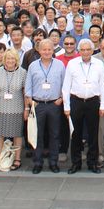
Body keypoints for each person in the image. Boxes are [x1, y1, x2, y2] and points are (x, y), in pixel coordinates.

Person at [62, 39, 104, 174]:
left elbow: (103, 85)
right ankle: (76, 163)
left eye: (88, 50)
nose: (85, 52)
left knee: (93, 134)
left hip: (93, 102)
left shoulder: (99, 64)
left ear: (92, 51)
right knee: (75, 133)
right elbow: (66, 86)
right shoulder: (72, 64)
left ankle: (92, 163)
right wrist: (66, 106)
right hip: (76, 102)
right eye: (83, 50)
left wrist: (103, 104)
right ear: (79, 51)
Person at [24, 39, 66, 173]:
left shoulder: (60, 65)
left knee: (54, 134)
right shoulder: (33, 66)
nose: (47, 52)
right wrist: (30, 100)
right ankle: (38, 162)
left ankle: (54, 162)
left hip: (54, 104)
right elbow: (28, 85)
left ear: (53, 50)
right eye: (44, 49)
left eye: (49, 49)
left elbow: (65, 84)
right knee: (37, 135)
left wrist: (61, 99)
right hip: (38, 105)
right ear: (39, 51)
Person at [0, 48, 27, 171]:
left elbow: (25, 92)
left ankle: (17, 159)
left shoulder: (22, 72)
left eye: (12, 58)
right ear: (4, 59)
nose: (10, 61)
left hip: (17, 108)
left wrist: (26, 108)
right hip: (0, 107)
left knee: (17, 134)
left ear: (16, 60)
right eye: (8, 58)